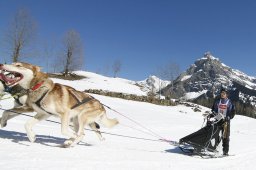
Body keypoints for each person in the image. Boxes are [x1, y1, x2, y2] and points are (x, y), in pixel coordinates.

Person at [211, 88, 235, 155]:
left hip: (226, 121)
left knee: (225, 137)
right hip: (218, 119)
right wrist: (212, 115)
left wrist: (229, 117)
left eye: (224, 93)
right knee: (215, 134)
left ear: (226, 94)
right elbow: (213, 110)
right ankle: (214, 148)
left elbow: (233, 112)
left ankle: (225, 152)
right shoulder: (217, 101)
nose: (222, 94)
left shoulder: (230, 102)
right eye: (221, 93)